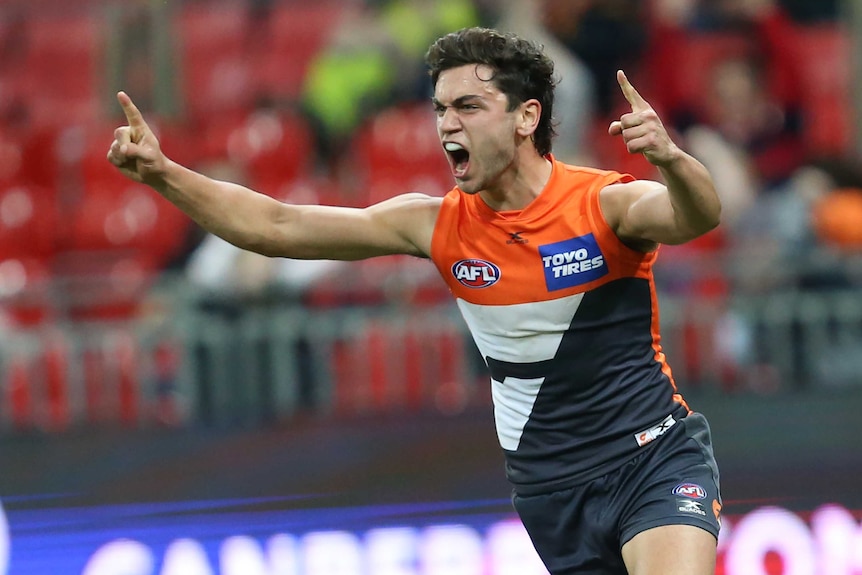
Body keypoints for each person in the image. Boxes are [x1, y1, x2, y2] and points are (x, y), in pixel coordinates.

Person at [107, 26, 722, 575]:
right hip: (549, 489)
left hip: (653, 458)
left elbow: (695, 216)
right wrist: (165, 174)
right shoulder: (434, 225)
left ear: (525, 117)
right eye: (440, 109)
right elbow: (277, 227)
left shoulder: (603, 204)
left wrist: (670, 159)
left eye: (468, 106)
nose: (447, 124)